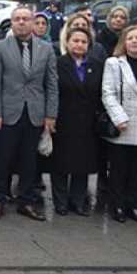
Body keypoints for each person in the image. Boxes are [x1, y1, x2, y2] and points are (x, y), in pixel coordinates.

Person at [0, 6, 58, 222]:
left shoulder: (46, 48)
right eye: (17, 19)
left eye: (25, 19)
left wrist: (50, 115)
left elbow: (52, 84)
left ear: (33, 22)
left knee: (30, 160)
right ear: (12, 22)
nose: (21, 22)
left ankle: (26, 201)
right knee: (2, 158)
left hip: (35, 112)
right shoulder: (0, 47)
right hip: (8, 112)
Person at [51, 27, 101, 216]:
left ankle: (78, 201)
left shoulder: (96, 65)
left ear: (88, 45)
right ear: (67, 42)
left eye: (83, 42)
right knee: (61, 163)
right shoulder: (58, 63)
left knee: (83, 162)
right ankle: (61, 201)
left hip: (87, 122)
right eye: (75, 41)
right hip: (63, 119)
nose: (79, 45)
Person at [101, 24, 137, 223]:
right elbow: (108, 93)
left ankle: (134, 204)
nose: (134, 41)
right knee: (118, 168)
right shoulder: (114, 63)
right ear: (124, 42)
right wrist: (119, 118)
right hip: (123, 123)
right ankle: (116, 205)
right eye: (130, 38)